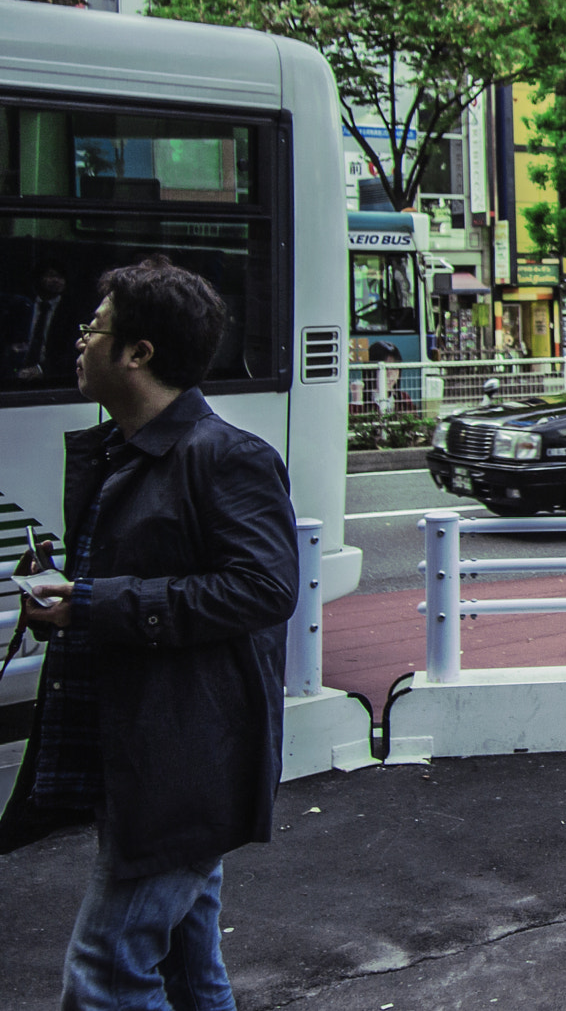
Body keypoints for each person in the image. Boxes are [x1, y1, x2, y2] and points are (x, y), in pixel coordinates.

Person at [0, 256, 300, 1007]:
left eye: (94, 326)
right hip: (144, 753)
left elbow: (266, 587)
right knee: (190, 968)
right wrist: (70, 597)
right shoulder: (123, 453)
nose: (79, 339)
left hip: (184, 760)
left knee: (104, 974)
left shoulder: (226, 455)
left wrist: (96, 601)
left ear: (139, 352)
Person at [5, 261, 76, 383]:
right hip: (13, 374)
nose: (56, 281)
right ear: (39, 278)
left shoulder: (71, 312)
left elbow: (70, 352)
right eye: (51, 275)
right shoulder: (22, 305)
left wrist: (42, 369)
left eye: (60, 277)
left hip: (50, 378)